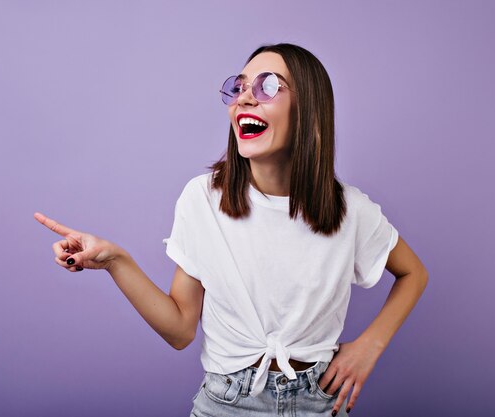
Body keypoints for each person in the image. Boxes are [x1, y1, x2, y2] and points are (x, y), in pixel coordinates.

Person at [34, 43, 428, 416]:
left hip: (319, 402)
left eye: (268, 86)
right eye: (239, 87)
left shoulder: (350, 210)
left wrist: (370, 346)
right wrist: (116, 260)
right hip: (228, 402)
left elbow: (414, 273)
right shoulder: (202, 199)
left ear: (308, 111)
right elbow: (180, 331)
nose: (245, 97)